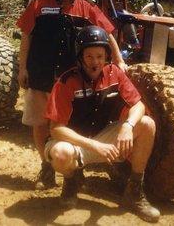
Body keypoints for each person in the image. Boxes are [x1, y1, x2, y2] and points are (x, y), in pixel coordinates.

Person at [17, 0, 127, 190]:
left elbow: (107, 33)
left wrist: (118, 60)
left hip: (69, 80)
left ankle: (73, 171)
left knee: (70, 125)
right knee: (39, 124)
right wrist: (22, 68)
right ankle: (46, 169)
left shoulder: (87, 7)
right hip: (41, 74)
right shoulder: (38, 5)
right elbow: (26, 37)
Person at [44, 26, 160, 223]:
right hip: (74, 143)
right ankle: (72, 180)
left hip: (103, 138)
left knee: (146, 124)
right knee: (62, 153)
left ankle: (134, 191)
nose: (95, 62)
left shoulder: (115, 73)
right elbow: (56, 129)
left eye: (100, 56)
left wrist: (128, 125)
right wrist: (94, 145)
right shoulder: (66, 82)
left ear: (107, 55)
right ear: (80, 57)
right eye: (89, 56)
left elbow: (138, 104)